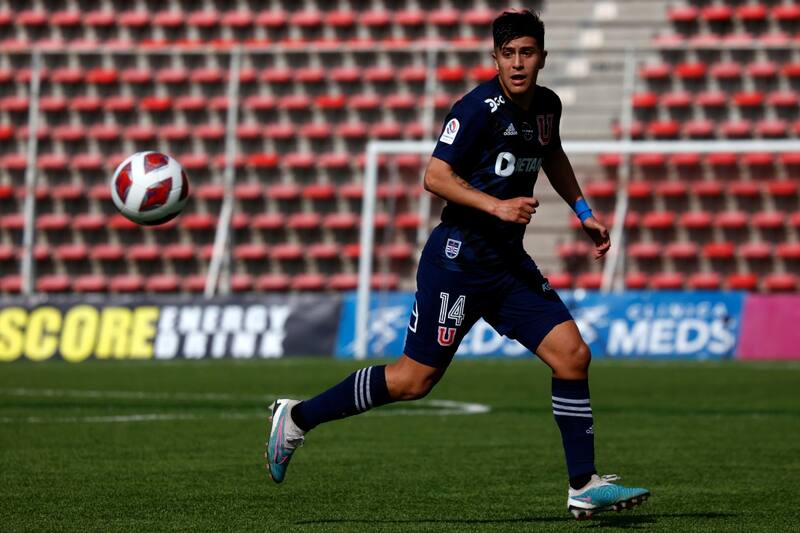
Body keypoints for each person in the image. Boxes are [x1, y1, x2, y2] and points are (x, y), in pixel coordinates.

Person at [266, 9, 650, 519]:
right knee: (412, 381)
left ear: (542, 57)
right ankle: (296, 417)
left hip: (507, 264)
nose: (518, 64)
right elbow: (434, 175)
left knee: (572, 355)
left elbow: (551, 153)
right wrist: (497, 206)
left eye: (527, 53)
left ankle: (583, 485)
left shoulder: (548, 105)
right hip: (458, 263)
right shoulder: (476, 109)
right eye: (508, 54)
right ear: (495, 59)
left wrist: (584, 212)